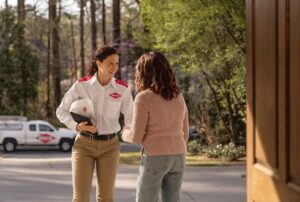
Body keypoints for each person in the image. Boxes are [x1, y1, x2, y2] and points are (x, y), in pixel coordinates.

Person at [56, 46, 133, 202]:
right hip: (84, 144)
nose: (114, 67)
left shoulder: (122, 89)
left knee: (105, 198)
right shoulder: (81, 85)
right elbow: (61, 111)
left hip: (110, 146)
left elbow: (130, 116)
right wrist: (77, 126)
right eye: (110, 63)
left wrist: (127, 128)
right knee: (80, 198)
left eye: (117, 63)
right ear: (99, 63)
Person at [122, 51, 189, 202]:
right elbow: (185, 130)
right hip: (179, 155)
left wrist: (124, 131)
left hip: (155, 155)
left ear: (143, 72)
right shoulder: (178, 95)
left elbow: (135, 137)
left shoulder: (144, 97)